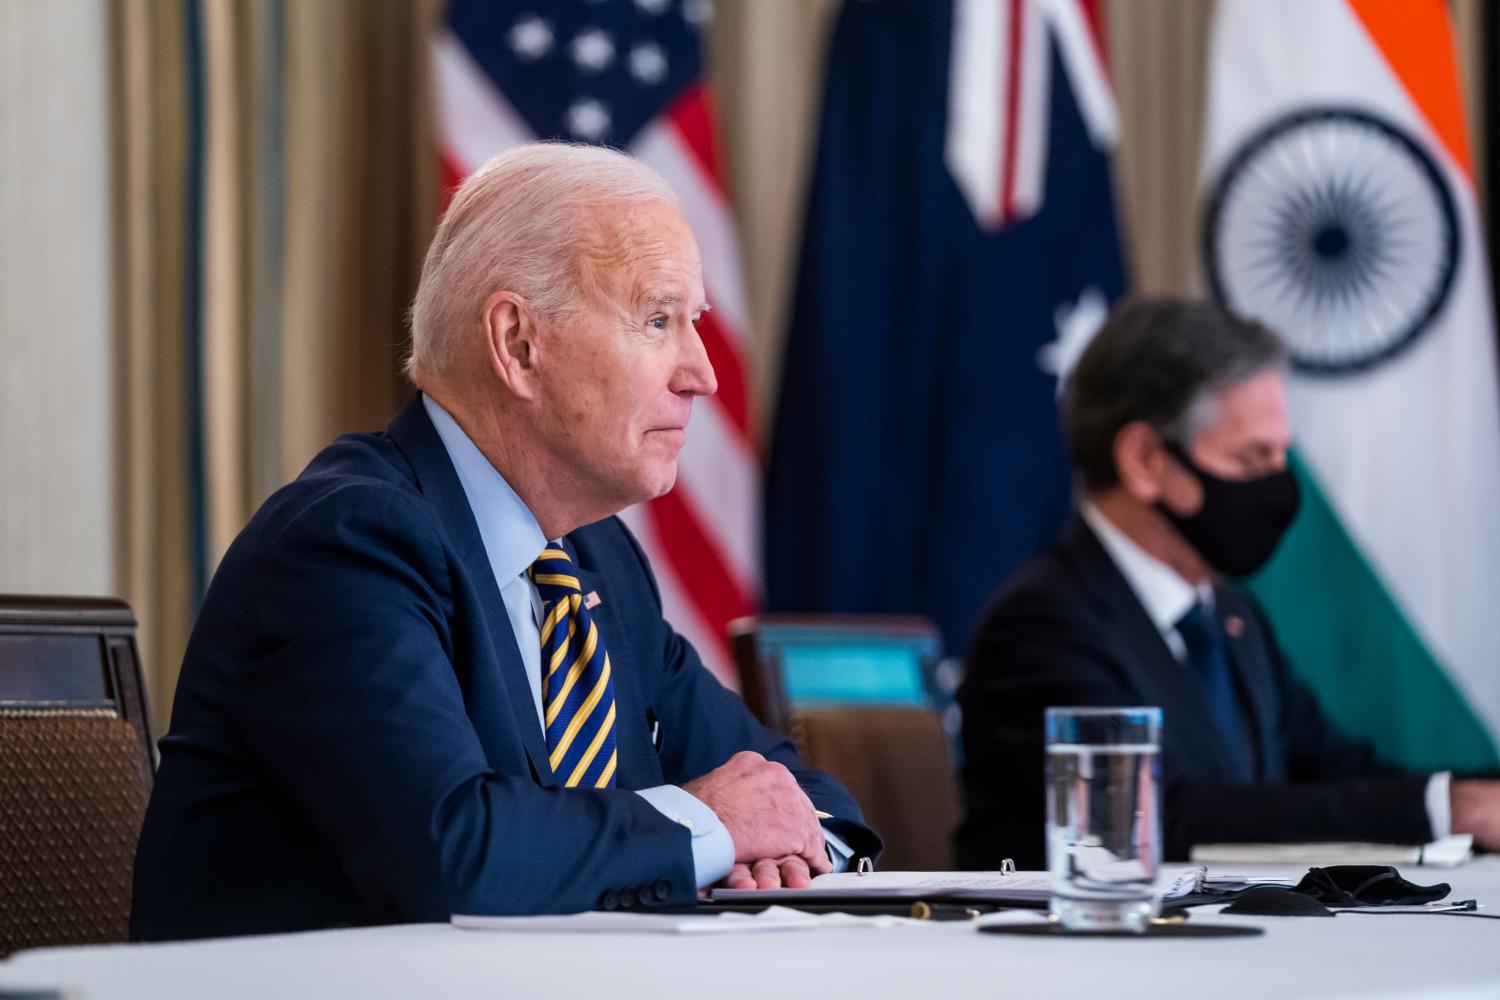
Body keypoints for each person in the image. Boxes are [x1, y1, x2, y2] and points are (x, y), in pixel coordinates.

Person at [131, 143, 879, 941]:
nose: (703, 375)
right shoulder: (346, 547)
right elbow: (456, 857)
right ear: (518, 345)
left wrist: (774, 843)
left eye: (693, 324)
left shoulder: (601, 565)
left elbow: (794, 794)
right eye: (659, 320)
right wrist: (708, 826)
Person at [955, 297, 1500, 870]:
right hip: (1080, 950)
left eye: (1280, 458)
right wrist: (1445, 810)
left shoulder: (1233, 618)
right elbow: (1151, 818)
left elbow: (1341, 773)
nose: (1279, 487)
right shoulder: (1042, 623)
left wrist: (1466, 796)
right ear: (1144, 460)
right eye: (1251, 459)